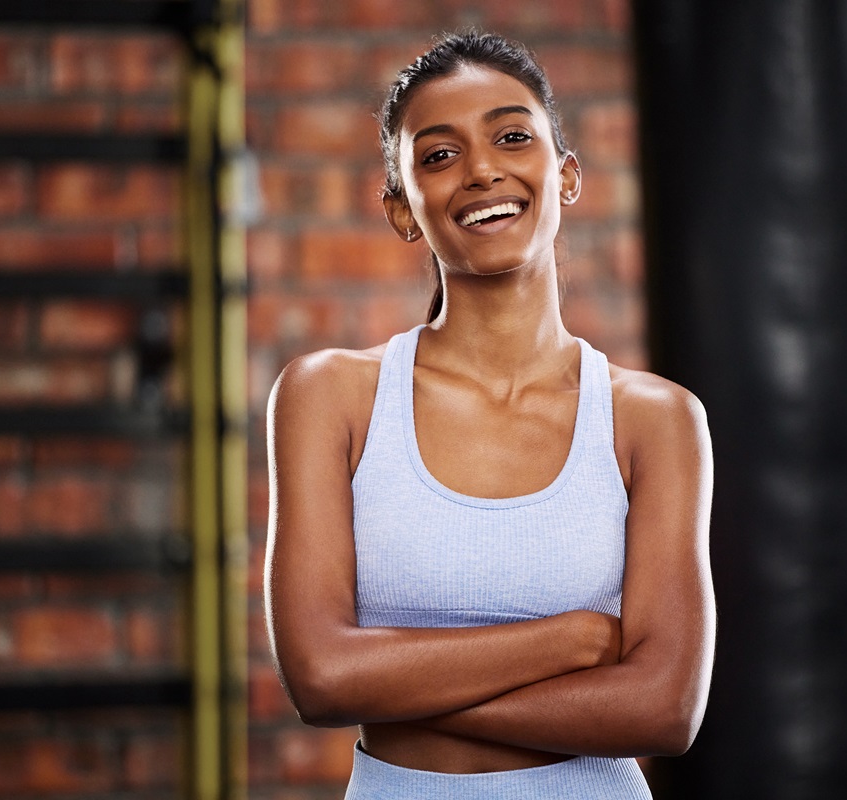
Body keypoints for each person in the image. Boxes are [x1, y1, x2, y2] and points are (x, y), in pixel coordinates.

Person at [264, 30, 715, 799]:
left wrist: (403, 692)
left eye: (512, 136)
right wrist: (572, 640)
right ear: (402, 209)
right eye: (438, 156)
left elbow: (664, 708)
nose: (480, 170)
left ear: (565, 174)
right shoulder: (330, 397)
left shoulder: (657, 419)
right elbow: (324, 679)